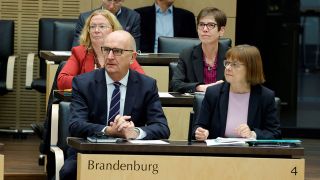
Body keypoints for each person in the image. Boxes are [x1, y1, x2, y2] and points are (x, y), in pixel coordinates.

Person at [59, 30, 170, 180]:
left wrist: (135, 132)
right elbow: (76, 125)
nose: (110, 57)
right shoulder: (84, 83)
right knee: (69, 172)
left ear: (132, 57)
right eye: (106, 50)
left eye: (117, 51)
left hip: (132, 155)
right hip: (90, 152)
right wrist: (109, 131)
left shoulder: (146, 85)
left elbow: (162, 127)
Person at [193, 45, 281, 141]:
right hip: (218, 152)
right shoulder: (213, 93)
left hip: (250, 154)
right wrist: (200, 132)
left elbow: (274, 133)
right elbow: (199, 126)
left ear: (251, 69)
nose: (228, 68)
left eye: (235, 64)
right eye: (227, 63)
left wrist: (253, 134)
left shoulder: (265, 96)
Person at [58, 9, 144, 90]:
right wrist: (96, 83)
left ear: (113, 29)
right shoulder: (79, 52)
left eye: (102, 26)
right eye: (92, 27)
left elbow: (141, 80)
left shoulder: (122, 52)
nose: (96, 30)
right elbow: (62, 81)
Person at [171, 7, 229, 93]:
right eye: (201, 25)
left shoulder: (230, 56)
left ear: (221, 30)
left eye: (210, 25)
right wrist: (201, 88)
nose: (205, 29)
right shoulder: (187, 54)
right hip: (195, 104)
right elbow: (175, 84)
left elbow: (240, 84)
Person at [72, 0, 141, 49]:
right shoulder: (85, 18)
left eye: (116, 1)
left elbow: (133, 48)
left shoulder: (133, 17)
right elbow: (78, 46)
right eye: (109, 0)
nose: (111, 6)